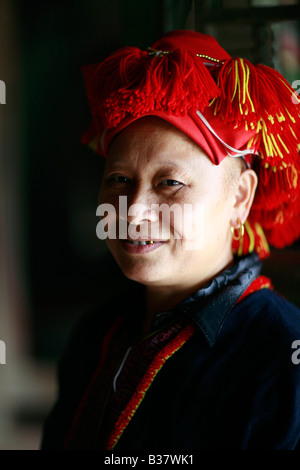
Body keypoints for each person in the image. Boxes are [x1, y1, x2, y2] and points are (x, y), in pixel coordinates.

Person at [41, 29, 300, 450]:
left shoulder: (282, 356)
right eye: (120, 179)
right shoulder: (97, 333)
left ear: (240, 197)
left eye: (170, 183)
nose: (134, 210)